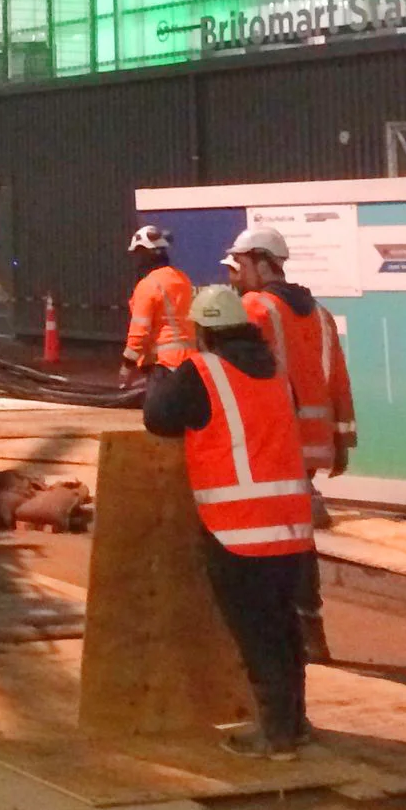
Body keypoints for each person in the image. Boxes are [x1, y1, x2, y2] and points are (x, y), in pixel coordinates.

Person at [141, 283, 314, 759]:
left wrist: (162, 374)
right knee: (283, 627)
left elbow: (159, 418)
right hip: (290, 527)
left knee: (257, 634)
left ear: (204, 331)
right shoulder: (276, 373)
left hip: (237, 531)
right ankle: (294, 723)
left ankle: (276, 737)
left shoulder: (203, 371)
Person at [224, 224, 354, 660]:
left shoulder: (253, 309)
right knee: (297, 538)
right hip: (312, 445)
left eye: (239, 265)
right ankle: (309, 630)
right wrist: (341, 441)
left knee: (265, 541)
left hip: (272, 443)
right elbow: (337, 379)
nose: (234, 274)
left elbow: (240, 380)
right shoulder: (320, 313)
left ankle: (278, 636)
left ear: (262, 263)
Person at [119, 225, 195, 382]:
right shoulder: (183, 279)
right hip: (190, 362)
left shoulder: (148, 285)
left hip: (163, 365)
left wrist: (127, 365)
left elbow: (139, 332)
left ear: (143, 253)